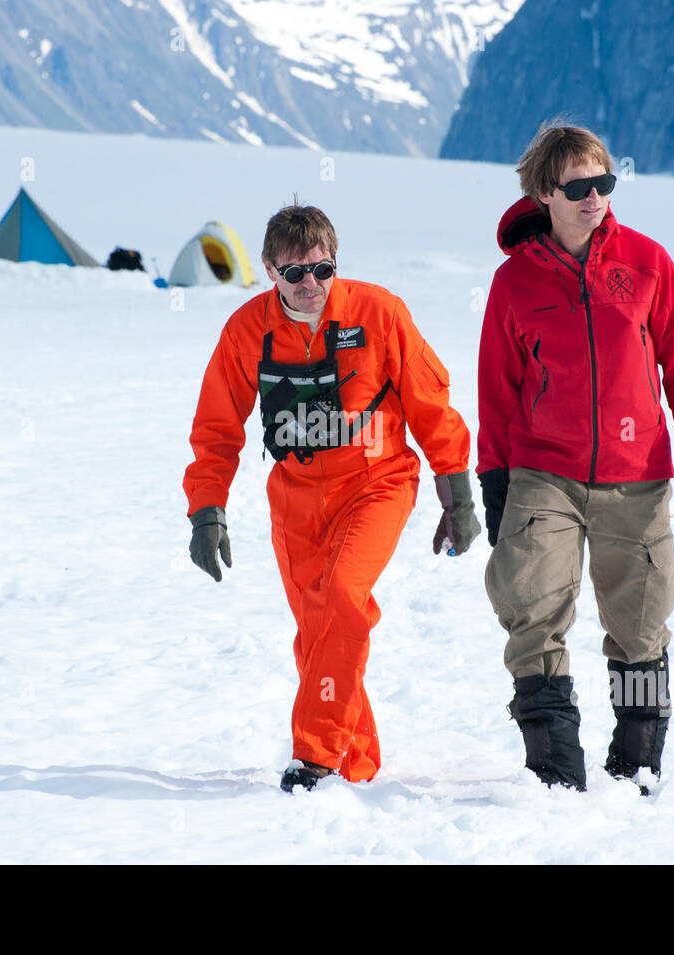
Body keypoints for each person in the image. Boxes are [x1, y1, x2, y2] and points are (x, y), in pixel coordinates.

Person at [183, 203, 478, 793]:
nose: (309, 284)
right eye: (294, 272)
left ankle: (314, 754)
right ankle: (357, 759)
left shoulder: (379, 312)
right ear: (269, 270)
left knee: (342, 596)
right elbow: (217, 428)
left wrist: (457, 494)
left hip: (378, 482)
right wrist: (206, 511)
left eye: (322, 269)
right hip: (294, 497)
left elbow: (428, 401)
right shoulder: (246, 332)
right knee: (319, 631)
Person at [477, 124, 674, 793]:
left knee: (641, 621)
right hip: (541, 471)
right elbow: (496, 391)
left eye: (604, 183)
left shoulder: (645, 262)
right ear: (544, 194)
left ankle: (637, 760)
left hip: (637, 473)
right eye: (578, 187)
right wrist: (494, 482)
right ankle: (555, 771)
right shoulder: (512, 283)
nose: (595, 198)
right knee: (530, 606)